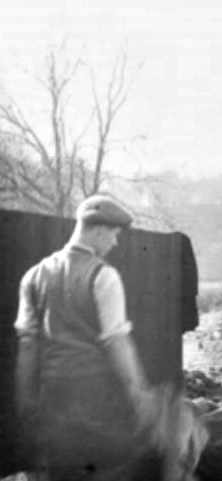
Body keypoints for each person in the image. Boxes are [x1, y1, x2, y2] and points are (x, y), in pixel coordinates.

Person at [14, 194, 164, 480]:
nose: (114, 243)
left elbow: (28, 344)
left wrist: (26, 401)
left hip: (52, 400)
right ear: (97, 230)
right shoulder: (103, 276)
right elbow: (117, 342)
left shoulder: (33, 276)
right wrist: (140, 396)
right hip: (95, 400)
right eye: (113, 235)